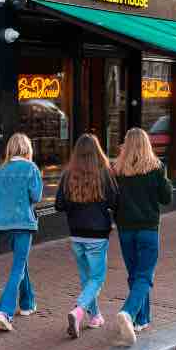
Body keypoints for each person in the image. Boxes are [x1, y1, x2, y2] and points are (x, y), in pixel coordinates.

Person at [112, 128, 172, 346]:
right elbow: (166, 198)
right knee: (144, 276)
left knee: (134, 274)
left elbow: (113, 201)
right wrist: (163, 179)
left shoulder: (117, 170)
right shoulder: (156, 168)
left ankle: (141, 319)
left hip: (126, 230)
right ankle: (128, 312)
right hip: (148, 228)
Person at [55, 134, 118, 339]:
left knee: (86, 278)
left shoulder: (68, 174)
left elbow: (59, 205)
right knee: (97, 278)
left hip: (76, 234)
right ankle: (79, 310)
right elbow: (114, 201)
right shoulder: (104, 173)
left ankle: (95, 317)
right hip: (97, 234)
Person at [0, 133, 43, 331]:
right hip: (23, 223)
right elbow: (36, 196)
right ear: (27, 149)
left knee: (21, 261)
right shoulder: (31, 168)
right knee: (18, 266)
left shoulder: (0, 170)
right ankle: (4, 312)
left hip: (4, 224)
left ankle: (27, 303)